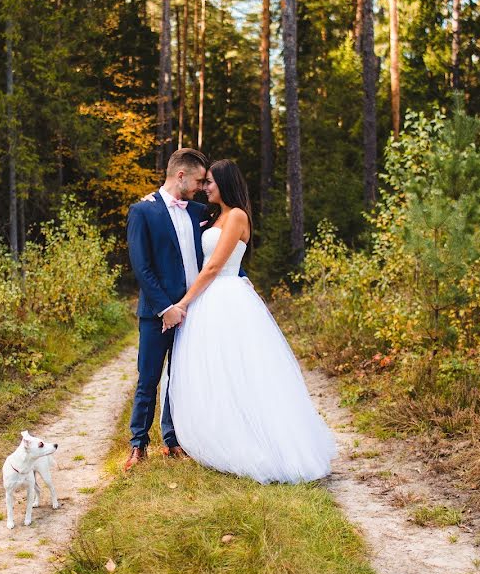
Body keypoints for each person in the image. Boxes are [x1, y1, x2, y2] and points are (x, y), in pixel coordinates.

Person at [164, 159, 336, 484]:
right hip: (212, 300)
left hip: (226, 296)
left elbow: (215, 267)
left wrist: (183, 304)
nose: (206, 187)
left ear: (225, 183)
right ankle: (219, 431)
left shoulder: (238, 216)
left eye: (211, 182)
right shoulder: (214, 216)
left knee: (240, 370)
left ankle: (255, 441)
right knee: (214, 371)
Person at [124, 149, 247, 471]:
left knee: (182, 377)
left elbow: (222, 253)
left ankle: (173, 439)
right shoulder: (142, 211)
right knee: (148, 378)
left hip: (197, 311)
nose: (201, 187)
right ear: (181, 175)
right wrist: (167, 307)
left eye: (206, 182)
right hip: (158, 313)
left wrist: (241, 281)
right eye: (198, 180)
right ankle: (138, 444)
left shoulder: (199, 212)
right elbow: (142, 267)